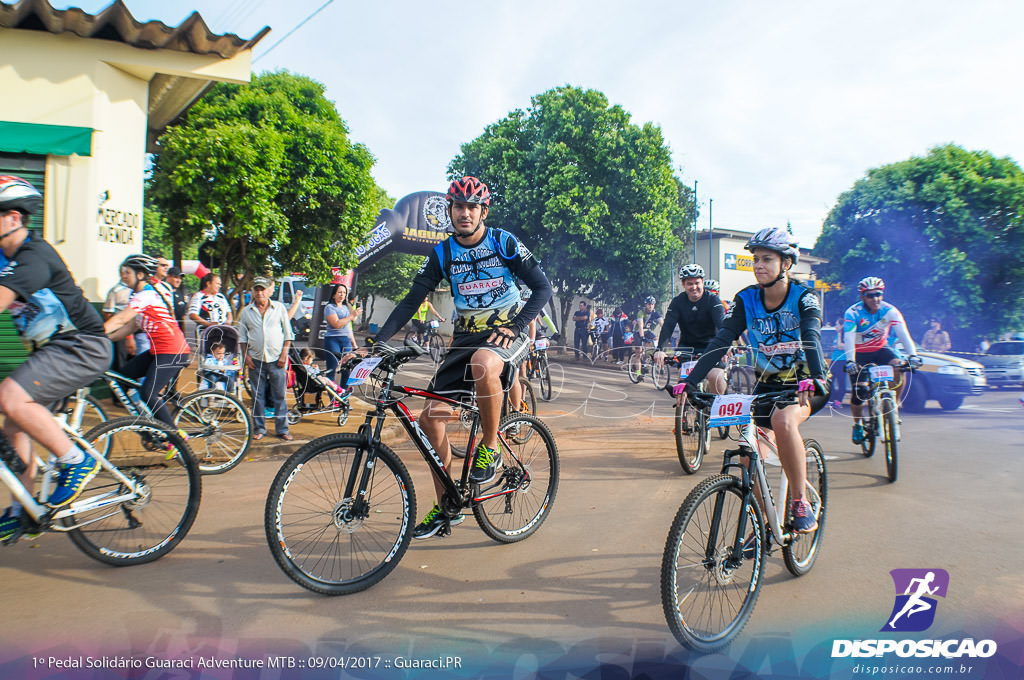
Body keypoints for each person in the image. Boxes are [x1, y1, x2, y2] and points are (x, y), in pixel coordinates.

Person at [355, 176, 552, 539]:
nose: (465, 213)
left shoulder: (503, 242)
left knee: (483, 362)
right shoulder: (443, 253)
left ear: (483, 211)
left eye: (472, 207)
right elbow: (412, 300)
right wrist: (377, 344)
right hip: (464, 336)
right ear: (450, 211)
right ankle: (448, 506)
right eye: (458, 206)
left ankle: (490, 448)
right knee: (430, 420)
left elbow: (542, 288)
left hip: (507, 332)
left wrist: (518, 324)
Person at [674, 227, 829, 533]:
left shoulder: (803, 297)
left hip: (804, 385)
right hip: (767, 387)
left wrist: (816, 376)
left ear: (786, 263)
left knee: (785, 423)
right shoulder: (746, 300)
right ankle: (766, 522)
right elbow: (720, 341)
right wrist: (690, 381)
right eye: (755, 259)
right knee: (748, 456)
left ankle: (800, 501)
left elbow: (810, 336)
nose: (758, 265)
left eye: (767, 259)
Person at [0, 176, 113, 535]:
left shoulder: (34, 256)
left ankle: (74, 460)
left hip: (83, 345)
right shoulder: (5, 257)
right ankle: (24, 510)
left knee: (10, 396)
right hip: (55, 350)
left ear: (14, 218)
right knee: (13, 421)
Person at [104, 254, 192, 426]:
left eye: (126, 272)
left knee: (148, 393)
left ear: (140, 275)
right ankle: (147, 424)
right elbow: (131, 326)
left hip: (173, 351)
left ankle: (176, 440)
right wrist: (107, 338)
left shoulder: (146, 295)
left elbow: (121, 319)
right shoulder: (138, 295)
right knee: (122, 378)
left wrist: (95, 334)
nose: (123, 276)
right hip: (158, 351)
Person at [842, 276, 919, 445]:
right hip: (859, 354)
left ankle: (894, 406)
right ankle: (857, 424)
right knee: (859, 394)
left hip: (881, 350)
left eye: (878, 294)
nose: (875, 299)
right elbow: (848, 337)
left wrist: (912, 356)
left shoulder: (890, 311)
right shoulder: (853, 313)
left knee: (900, 366)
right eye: (870, 295)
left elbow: (903, 334)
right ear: (862, 297)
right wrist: (850, 361)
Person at [654, 264, 726, 394]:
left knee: (716, 377)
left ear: (702, 282)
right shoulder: (678, 302)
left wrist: (726, 345)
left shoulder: (713, 300)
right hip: (687, 347)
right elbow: (668, 327)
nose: (694, 287)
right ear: (683, 284)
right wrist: (660, 350)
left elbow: (722, 324)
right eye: (689, 284)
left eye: (697, 283)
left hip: (711, 346)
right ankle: (683, 411)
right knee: (682, 383)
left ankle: (717, 409)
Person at [238, 276, 294, 441]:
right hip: (255, 360)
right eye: (257, 289)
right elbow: (242, 338)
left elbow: (288, 334)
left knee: (280, 396)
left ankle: (282, 429)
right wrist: (246, 357)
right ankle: (259, 428)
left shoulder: (279, 308)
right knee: (257, 396)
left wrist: (284, 354)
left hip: (278, 360)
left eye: (262, 289)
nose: (260, 292)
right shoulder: (246, 312)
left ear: (269, 291)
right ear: (253, 292)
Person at [102, 262, 136, 372]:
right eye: (123, 273)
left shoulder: (140, 290)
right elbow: (108, 313)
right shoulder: (116, 291)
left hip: (138, 331)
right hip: (122, 333)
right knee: (122, 364)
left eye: (128, 272)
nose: (126, 275)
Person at [322, 283, 360, 380]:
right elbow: (336, 324)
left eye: (344, 292)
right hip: (332, 339)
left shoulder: (346, 308)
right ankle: (332, 394)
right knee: (332, 368)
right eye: (339, 292)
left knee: (347, 368)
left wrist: (354, 345)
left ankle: (343, 392)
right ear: (334, 294)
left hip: (346, 340)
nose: (342, 294)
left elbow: (348, 328)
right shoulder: (329, 307)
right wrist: (351, 316)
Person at [188, 272, 232, 339]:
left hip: (224, 331)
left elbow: (229, 312)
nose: (219, 286)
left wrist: (228, 323)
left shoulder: (221, 296)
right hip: (207, 332)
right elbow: (193, 315)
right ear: (208, 284)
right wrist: (209, 324)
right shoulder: (198, 296)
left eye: (220, 284)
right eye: (217, 283)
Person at [164, 266, 189, 332]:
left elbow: (182, 317)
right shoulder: (162, 292)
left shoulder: (179, 293)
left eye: (180, 278)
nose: (178, 281)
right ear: (168, 277)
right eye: (175, 277)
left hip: (177, 332)